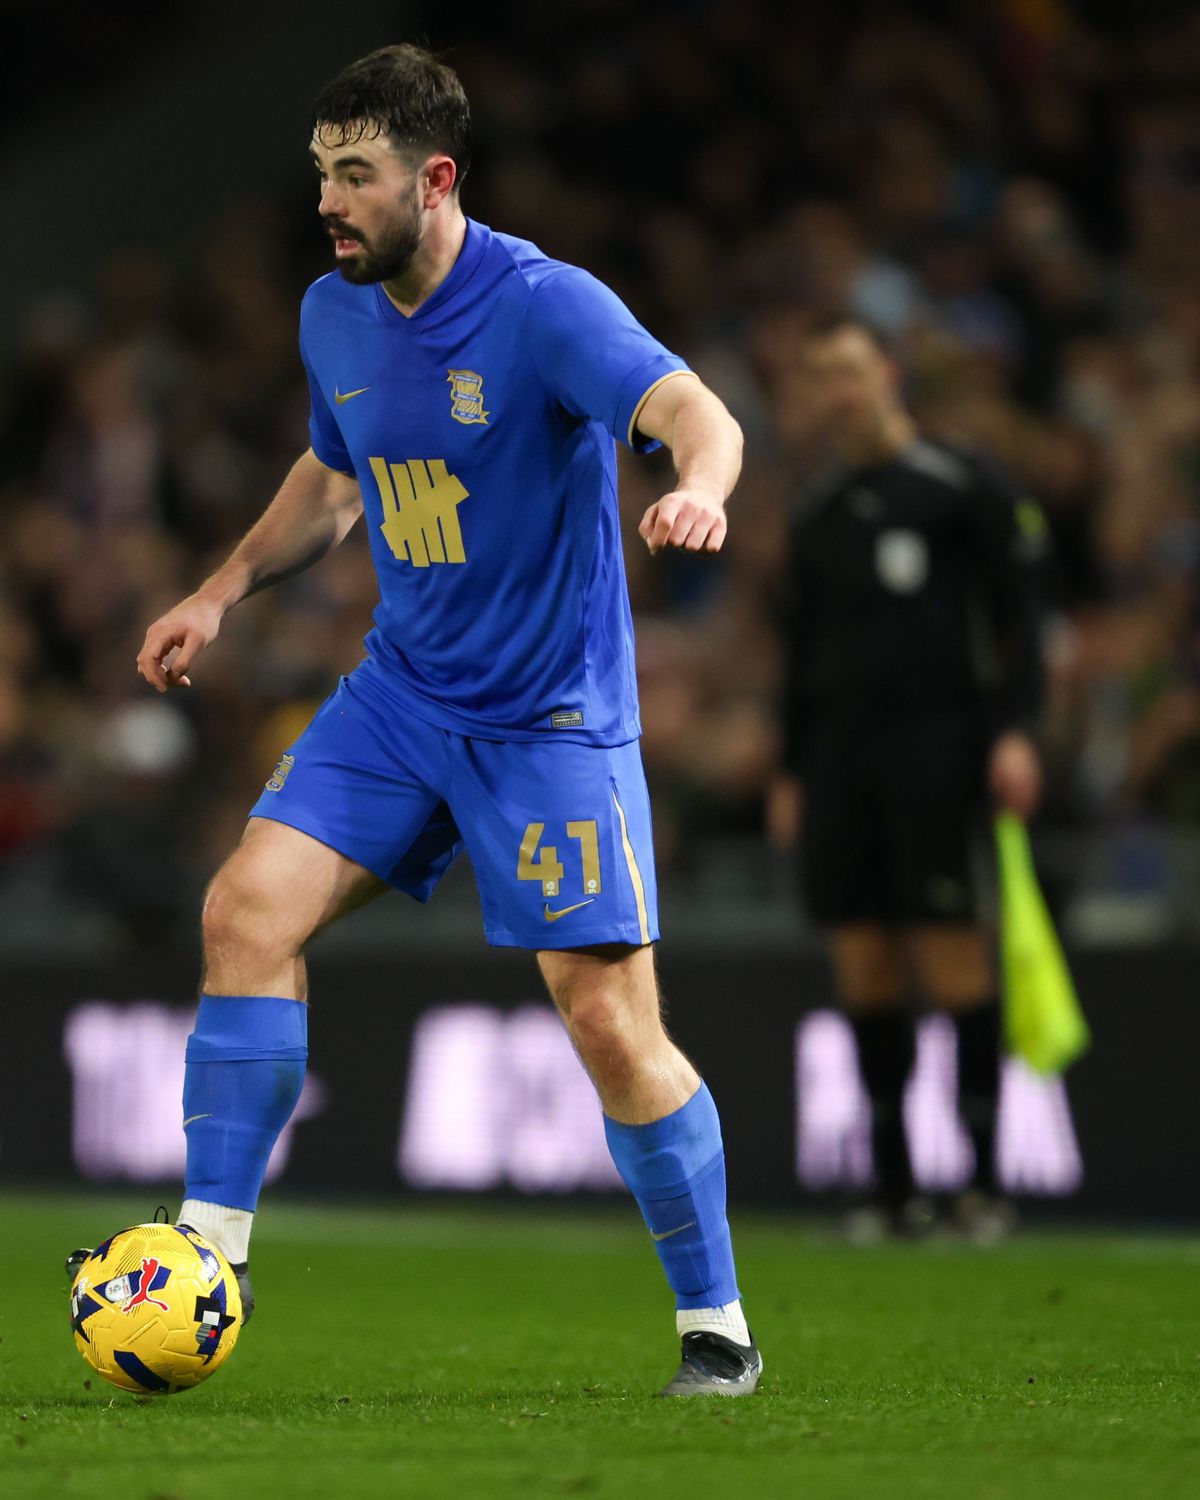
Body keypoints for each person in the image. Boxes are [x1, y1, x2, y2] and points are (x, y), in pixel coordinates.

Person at [116, 44, 758, 1397]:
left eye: (355, 176)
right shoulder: (333, 314)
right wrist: (222, 588)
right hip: (403, 700)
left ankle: (717, 1325)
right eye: (321, 175)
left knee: (604, 1024)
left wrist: (698, 485)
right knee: (244, 911)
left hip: (549, 719)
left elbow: (694, 409)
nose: (330, 203)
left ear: (437, 178)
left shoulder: (543, 308)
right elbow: (334, 475)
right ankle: (205, 1261)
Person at [768, 315, 1046, 1242]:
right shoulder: (815, 515)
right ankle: (890, 1187)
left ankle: (980, 1180)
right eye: (821, 376)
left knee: (952, 948)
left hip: (943, 748)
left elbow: (1021, 623)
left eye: (850, 369)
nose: (838, 391)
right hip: (844, 761)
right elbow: (797, 656)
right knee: (864, 958)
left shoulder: (962, 487)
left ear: (887, 372)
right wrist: (791, 767)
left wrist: (1014, 732)